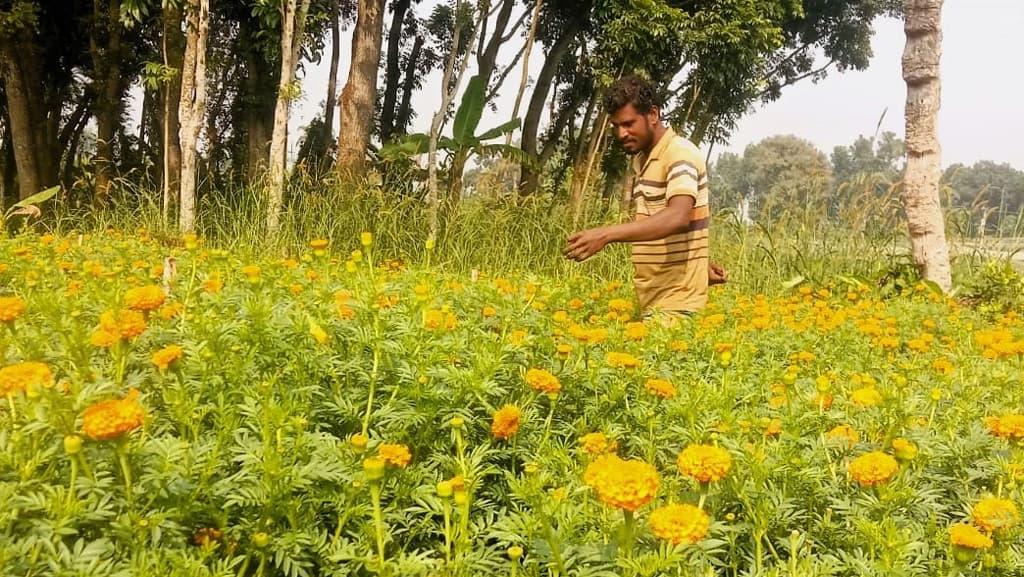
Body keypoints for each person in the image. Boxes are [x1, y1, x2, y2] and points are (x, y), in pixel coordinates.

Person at [564, 74, 726, 321]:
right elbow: (676, 225)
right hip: (655, 301)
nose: (622, 133)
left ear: (653, 114)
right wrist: (699, 264)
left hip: (676, 305)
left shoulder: (679, 154)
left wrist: (605, 234)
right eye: (616, 126)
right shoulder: (646, 159)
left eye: (629, 124)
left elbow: (678, 216)